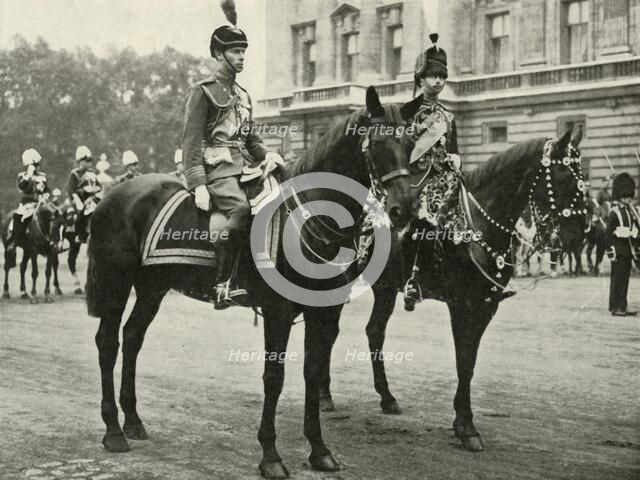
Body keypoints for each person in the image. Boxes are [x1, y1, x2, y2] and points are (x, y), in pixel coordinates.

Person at [181, 0, 284, 309]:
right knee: (239, 210)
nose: (242, 57)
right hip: (218, 168)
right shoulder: (203, 91)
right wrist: (198, 183)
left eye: (243, 52)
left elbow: (249, 136)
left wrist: (267, 156)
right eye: (236, 52)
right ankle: (223, 284)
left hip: (246, 167)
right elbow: (190, 141)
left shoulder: (243, 95)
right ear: (218, 55)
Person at [402, 33, 463, 310]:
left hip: (444, 178)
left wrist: (456, 159)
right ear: (420, 79)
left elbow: (455, 149)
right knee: (425, 214)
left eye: (442, 76)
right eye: (432, 76)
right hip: (414, 179)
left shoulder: (448, 116)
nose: (438, 81)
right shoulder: (407, 112)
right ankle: (414, 280)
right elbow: (400, 150)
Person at [606, 172, 638, 316]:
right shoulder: (614, 212)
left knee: (624, 279)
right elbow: (608, 234)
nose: (628, 199)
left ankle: (623, 305)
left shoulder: (630, 212)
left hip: (627, 249)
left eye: (629, 196)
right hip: (618, 249)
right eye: (626, 196)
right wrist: (611, 251)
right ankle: (615, 306)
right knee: (617, 279)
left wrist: (634, 233)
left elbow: (634, 228)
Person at [6, 148, 50, 252]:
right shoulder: (22, 176)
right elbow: (21, 187)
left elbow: (48, 190)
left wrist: (46, 195)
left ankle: (53, 240)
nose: (38, 167)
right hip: (27, 203)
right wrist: (28, 176)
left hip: (41, 203)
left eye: (38, 165)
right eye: (35, 165)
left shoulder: (43, 177)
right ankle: (14, 240)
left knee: (54, 214)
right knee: (19, 216)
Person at [67, 145, 102, 242]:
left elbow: (99, 186)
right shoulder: (75, 174)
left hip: (93, 198)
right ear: (80, 161)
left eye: (90, 161)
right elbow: (71, 190)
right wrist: (84, 190)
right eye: (86, 161)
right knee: (80, 214)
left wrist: (94, 189)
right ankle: (79, 234)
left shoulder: (92, 173)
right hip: (80, 199)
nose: (89, 163)